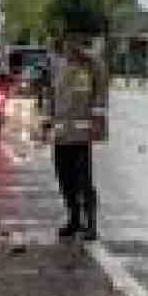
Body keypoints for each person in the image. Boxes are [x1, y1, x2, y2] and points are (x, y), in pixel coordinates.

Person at [48, 33, 107, 240]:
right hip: (61, 133)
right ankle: (73, 218)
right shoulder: (59, 66)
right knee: (64, 177)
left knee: (84, 180)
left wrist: (98, 124)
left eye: (73, 41)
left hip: (82, 133)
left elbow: (100, 95)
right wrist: (48, 121)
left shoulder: (92, 65)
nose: (69, 46)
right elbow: (54, 96)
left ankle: (91, 225)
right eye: (66, 42)